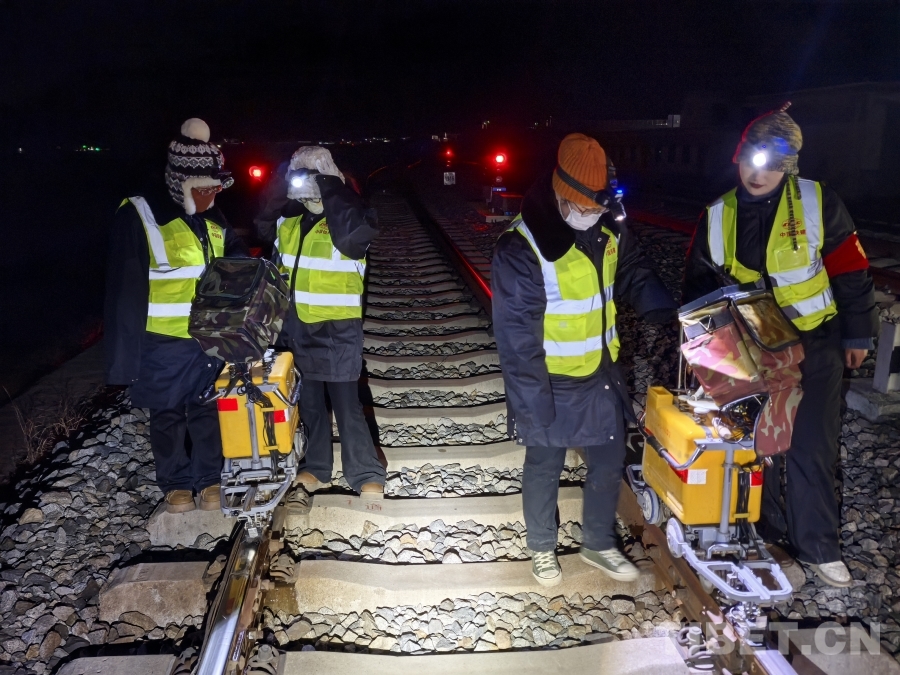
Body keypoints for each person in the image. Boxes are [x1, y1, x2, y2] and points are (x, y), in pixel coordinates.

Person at [682, 104, 878, 587]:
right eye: (750, 160)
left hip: (816, 345)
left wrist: (857, 333)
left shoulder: (817, 202)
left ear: (788, 168)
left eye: (770, 165)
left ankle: (819, 548)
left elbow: (851, 270)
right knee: (757, 444)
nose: (757, 173)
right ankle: (763, 532)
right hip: (751, 351)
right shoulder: (716, 215)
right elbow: (697, 290)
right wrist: (707, 359)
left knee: (812, 446)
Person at [492, 133, 677, 586]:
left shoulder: (606, 227)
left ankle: (597, 542)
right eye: (585, 207)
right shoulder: (522, 247)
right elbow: (517, 338)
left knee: (609, 460)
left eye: (598, 208)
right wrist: (531, 406)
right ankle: (541, 547)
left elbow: (631, 269)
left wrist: (662, 309)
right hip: (549, 378)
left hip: (599, 370)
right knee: (544, 463)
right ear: (562, 193)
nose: (593, 215)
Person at [105, 118, 246, 513]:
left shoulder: (212, 216)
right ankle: (176, 484)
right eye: (205, 189)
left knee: (206, 407)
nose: (212, 196)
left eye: (216, 188)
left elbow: (235, 255)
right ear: (182, 184)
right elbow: (123, 289)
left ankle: (210, 479)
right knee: (166, 413)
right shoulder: (139, 214)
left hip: (206, 336)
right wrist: (123, 360)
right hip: (162, 339)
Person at [254, 146, 386, 496]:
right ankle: (316, 467)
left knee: (347, 404)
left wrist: (329, 185)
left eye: (313, 177)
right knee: (309, 403)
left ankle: (365, 472)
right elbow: (262, 222)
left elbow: (354, 232)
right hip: (296, 329)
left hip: (338, 329)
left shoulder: (350, 220)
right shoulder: (289, 222)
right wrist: (282, 181)